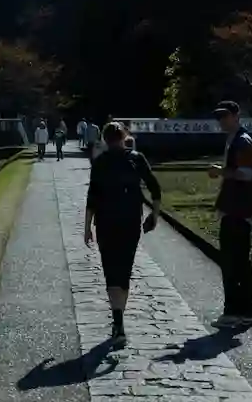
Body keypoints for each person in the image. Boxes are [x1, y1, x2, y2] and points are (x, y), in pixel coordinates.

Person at [84, 121, 162, 347]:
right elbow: (155, 189)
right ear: (124, 136)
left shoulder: (100, 162)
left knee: (111, 269)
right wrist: (155, 214)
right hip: (130, 221)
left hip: (106, 221)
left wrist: (87, 227)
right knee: (124, 269)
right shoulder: (136, 159)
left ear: (105, 139)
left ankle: (117, 321)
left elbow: (92, 197)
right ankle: (119, 319)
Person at [208, 100, 252, 329]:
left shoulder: (242, 141)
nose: (222, 121)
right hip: (236, 208)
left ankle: (235, 311)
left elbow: (246, 173)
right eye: (219, 117)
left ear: (236, 116)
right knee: (238, 262)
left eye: (226, 116)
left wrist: (221, 172)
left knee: (234, 262)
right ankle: (241, 312)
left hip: (238, 210)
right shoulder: (236, 140)